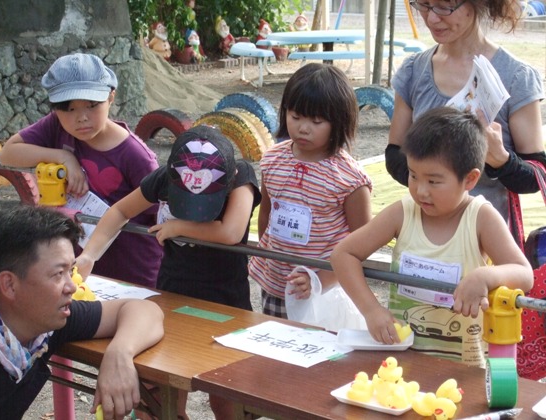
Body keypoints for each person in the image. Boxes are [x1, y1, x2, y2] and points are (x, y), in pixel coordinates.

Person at [75, 124, 261, 419]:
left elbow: (231, 231)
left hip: (225, 301)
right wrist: (89, 255)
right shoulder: (165, 177)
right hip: (172, 293)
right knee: (158, 392)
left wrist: (178, 227)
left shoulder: (241, 177)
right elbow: (120, 211)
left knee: (227, 395)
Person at [332, 107, 533, 367]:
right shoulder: (403, 212)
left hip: (464, 368)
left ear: (470, 179)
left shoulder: (480, 218)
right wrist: (371, 310)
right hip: (400, 361)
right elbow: (343, 254)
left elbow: (524, 274)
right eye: (413, 175)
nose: (421, 191)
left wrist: (485, 276)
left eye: (434, 181)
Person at [385, 0, 545, 247]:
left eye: (444, 7)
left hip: (489, 247)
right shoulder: (414, 71)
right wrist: (433, 186)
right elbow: (394, 153)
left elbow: (538, 175)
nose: (432, 18)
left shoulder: (515, 77)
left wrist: (502, 161)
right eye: (424, 5)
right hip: (424, 240)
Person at [0, 53, 163, 288]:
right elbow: (8, 153)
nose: (81, 118)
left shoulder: (137, 157)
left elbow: (159, 214)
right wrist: (62, 156)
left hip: (131, 271)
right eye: (69, 108)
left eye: (92, 105)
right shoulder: (56, 126)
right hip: (74, 267)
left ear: (111, 97)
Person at [0, 205, 164, 420]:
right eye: (58, 274)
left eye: (71, 270)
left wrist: (119, 354)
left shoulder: (43, 322)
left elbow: (144, 310)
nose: (72, 286)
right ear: (9, 284)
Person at [248, 63, 373, 318]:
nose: (303, 128)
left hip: (324, 294)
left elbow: (363, 243)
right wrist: (268, 256)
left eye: (316, 121)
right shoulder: (272, 160)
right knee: (275, 338)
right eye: (295, 116)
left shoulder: (349, 179)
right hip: (276, 284)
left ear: (339, 122)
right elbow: (267, 215)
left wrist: (320, 280)